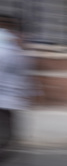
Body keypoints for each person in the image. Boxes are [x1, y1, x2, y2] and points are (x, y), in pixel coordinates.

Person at [0, 15, 36, 148]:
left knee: (7, 140)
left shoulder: (15, 51)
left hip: (8, 103)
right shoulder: (7, 50)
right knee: (6, 140)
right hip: (4, 103)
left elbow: (22, 77)